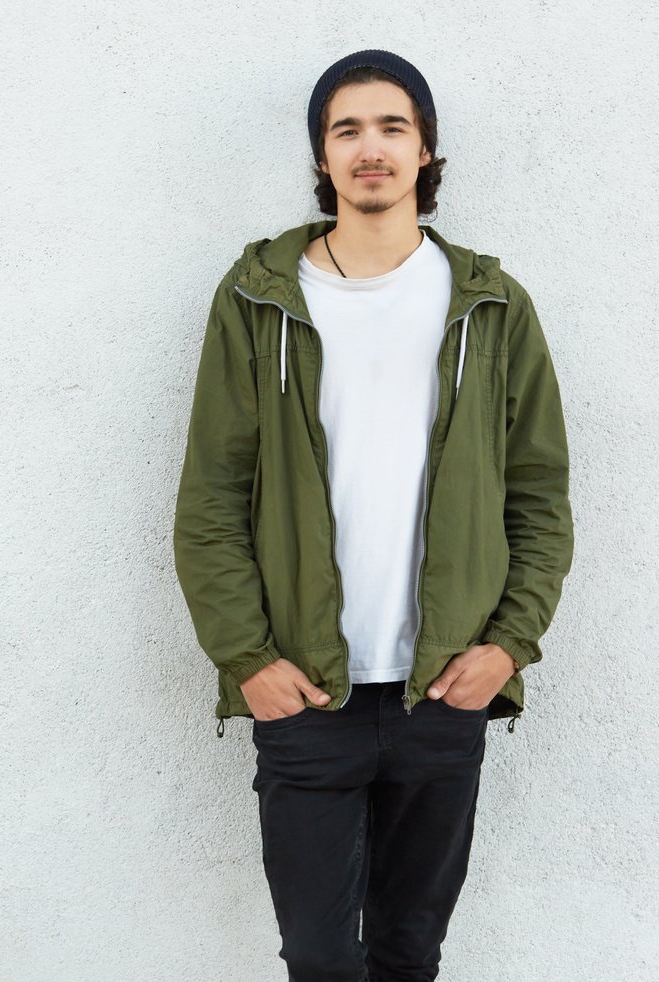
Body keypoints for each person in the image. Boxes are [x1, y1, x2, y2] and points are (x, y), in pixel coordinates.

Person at [171, 50, 574, 981]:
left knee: (408, 953)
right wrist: (249, 661)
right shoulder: (257, 301)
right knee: (319, 959)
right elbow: (210, 502)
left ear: (427, 149)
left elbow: (540, 497)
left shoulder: (492, 306)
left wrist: (506, 649)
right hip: (309, 694)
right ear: (322, 157)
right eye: (346, 129)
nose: (371, 148)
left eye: (393, 126)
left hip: (443, 694)